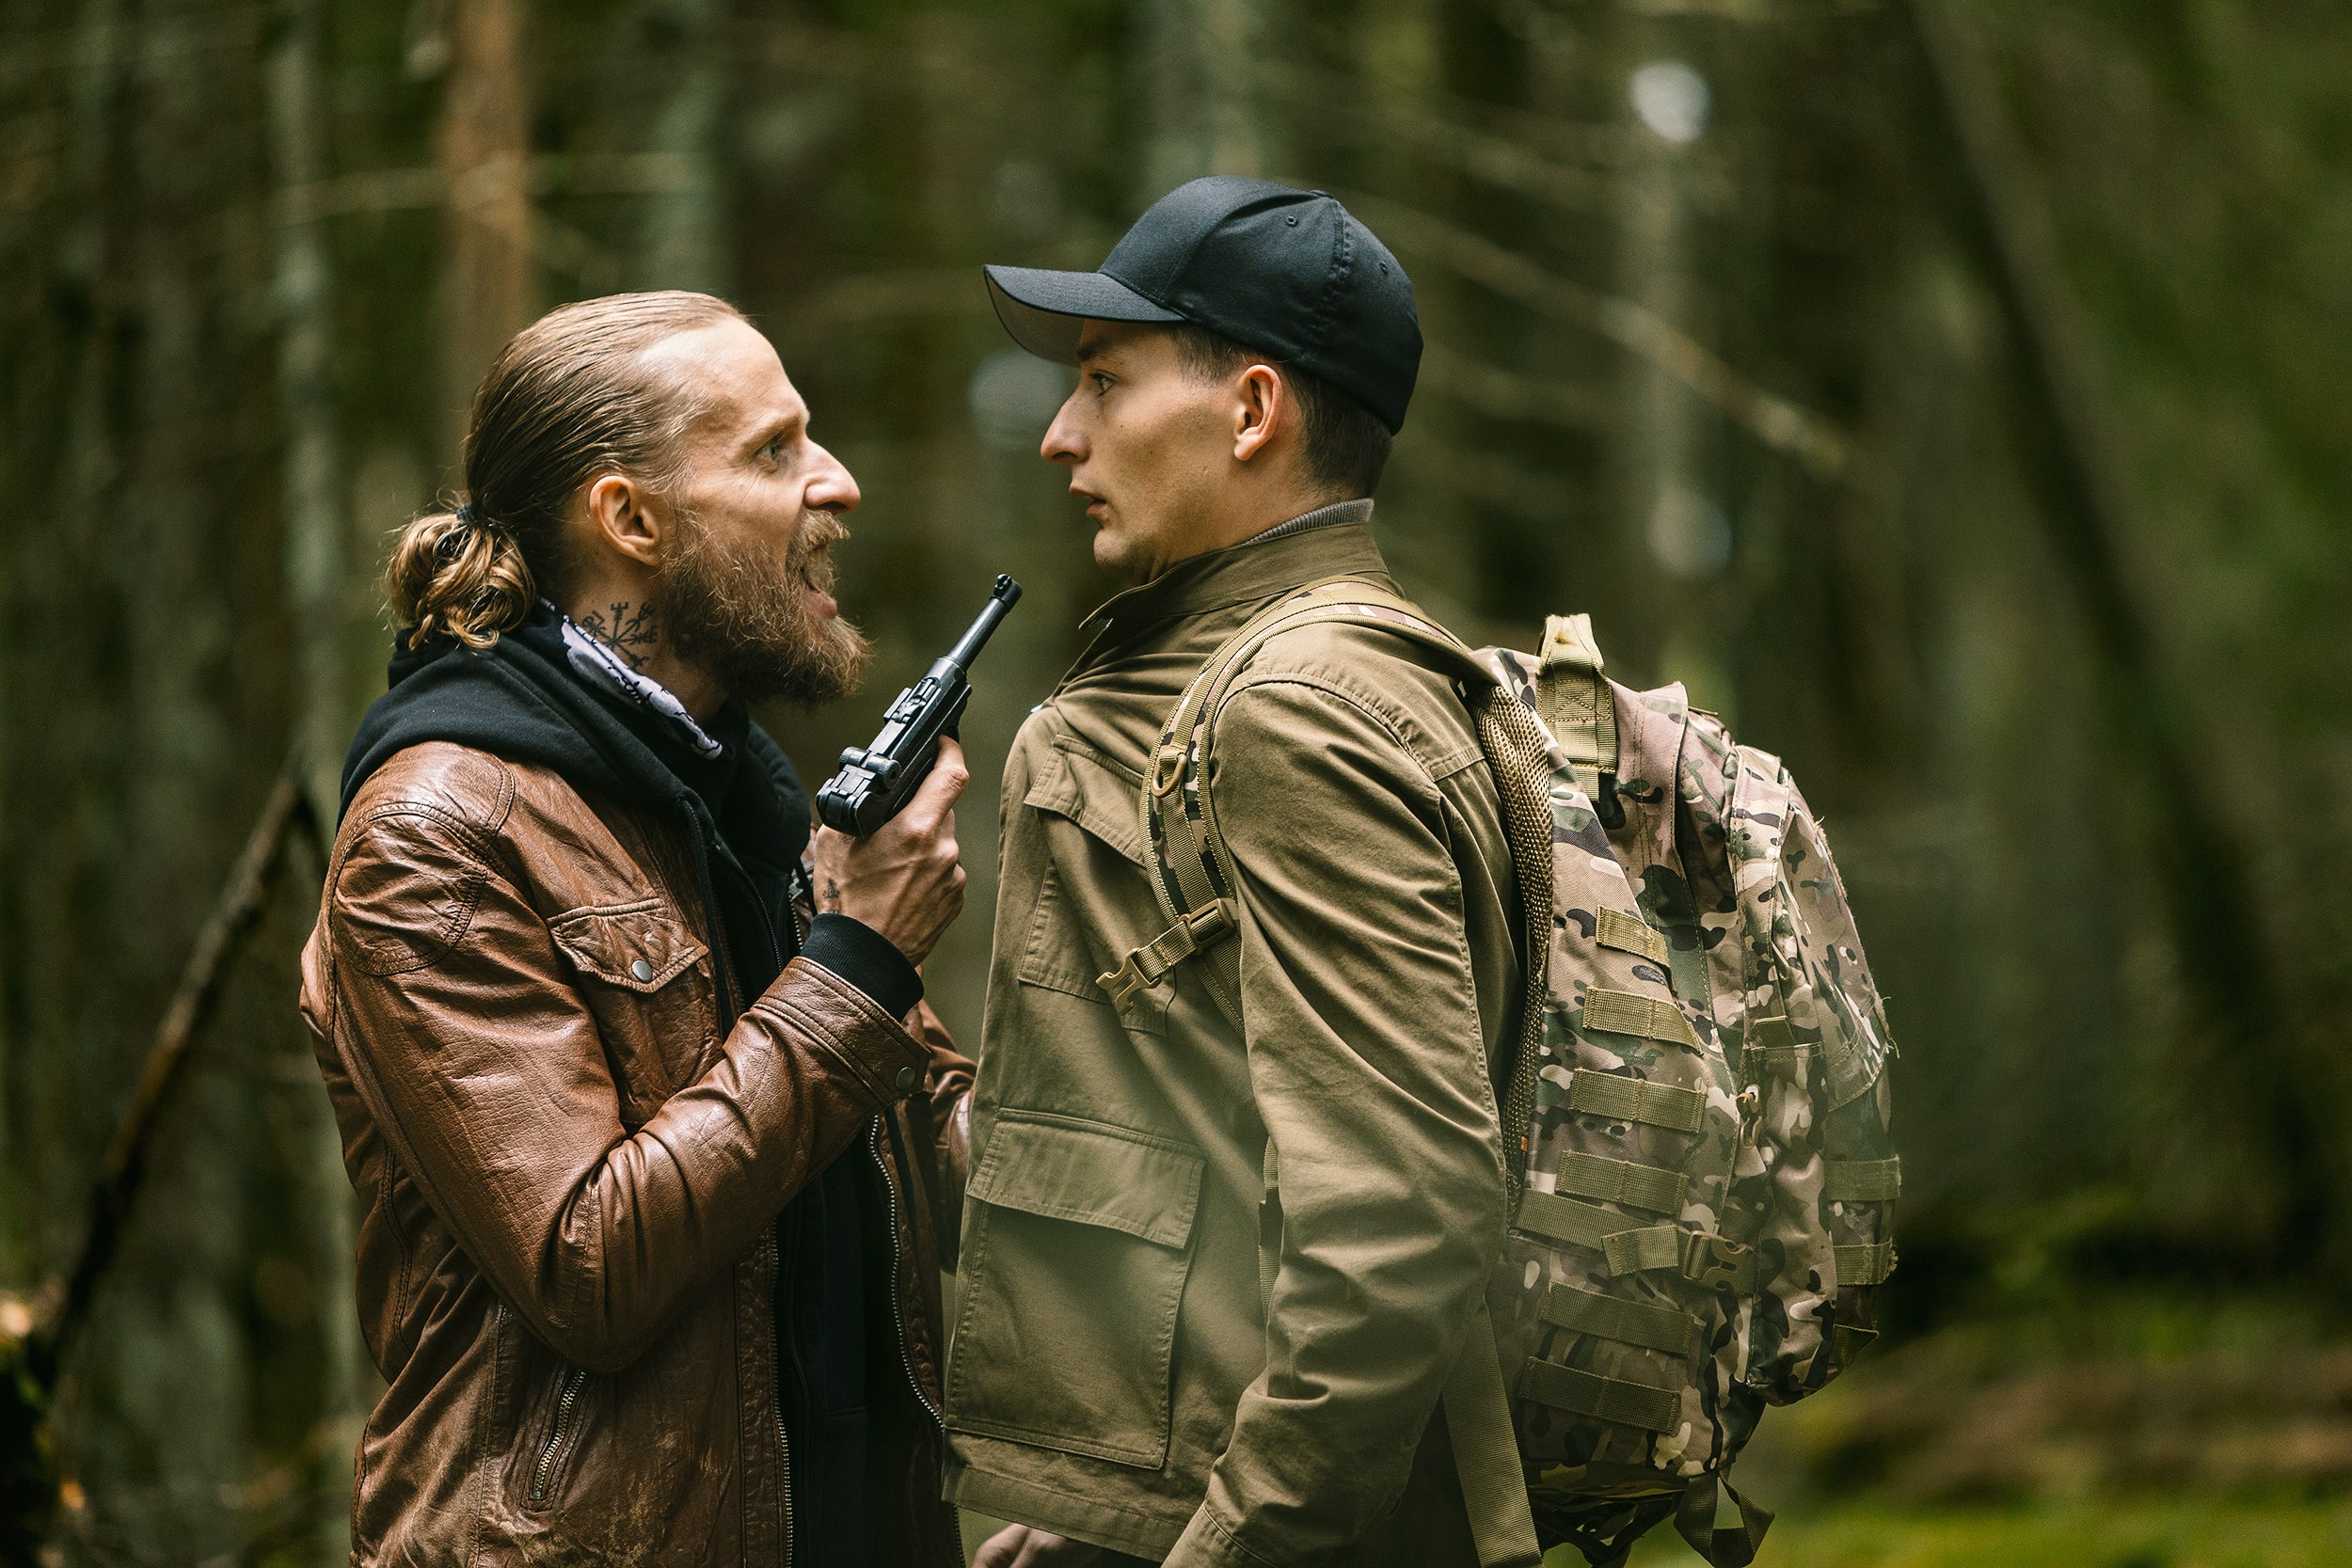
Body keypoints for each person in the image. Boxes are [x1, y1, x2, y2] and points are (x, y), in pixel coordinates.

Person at [299, 292, 971, 1567]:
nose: (841, 485)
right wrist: (856, 965)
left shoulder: (736, 793)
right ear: (632, 520)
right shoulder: (436, 832)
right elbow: (586, 1266)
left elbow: (922, 1170)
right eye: (775, 452)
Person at [948, 179, 1530, 1568]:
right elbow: (1232, 1147)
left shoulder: (1294, 707)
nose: (1058, 435)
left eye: (1103, 382)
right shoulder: (1342, 667)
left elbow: (1399, 1223)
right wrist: (1110, 1518)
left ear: (1254, 411)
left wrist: (1214, 1549)